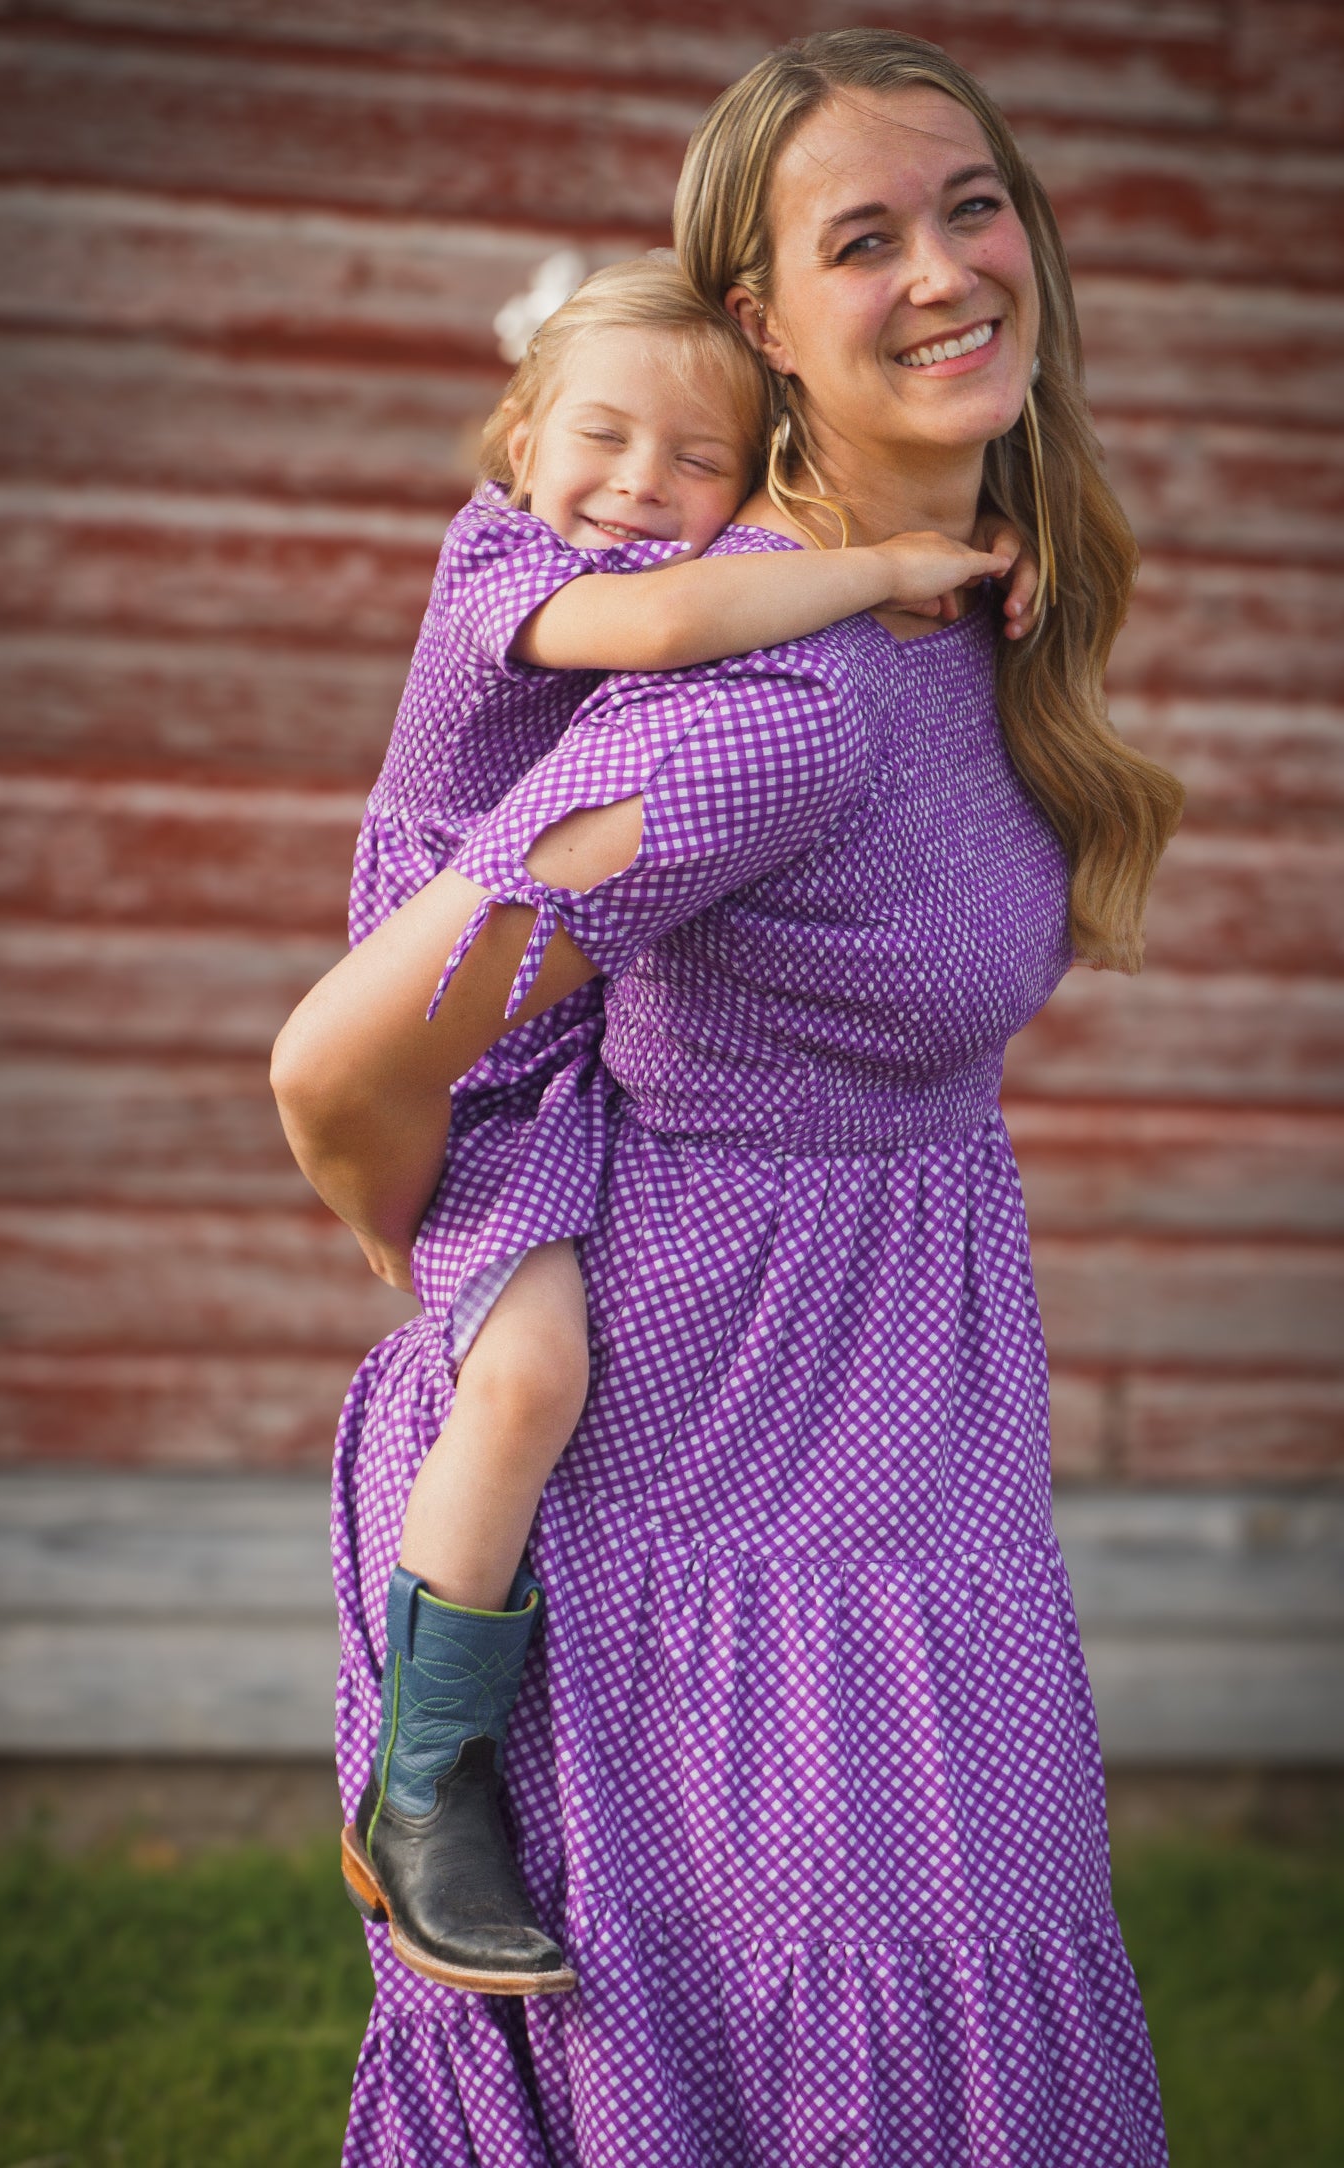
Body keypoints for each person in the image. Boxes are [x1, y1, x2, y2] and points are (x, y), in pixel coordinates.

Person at [272, 25, 1183, 2164]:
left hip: (888, 1425)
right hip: (689, 1466)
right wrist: (466, 1269)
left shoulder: (958, 614)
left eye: (973, 204)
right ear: (762, 327)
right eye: (862, 238)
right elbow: (340, 1055)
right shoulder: (759, 720)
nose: (948, 267)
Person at [320, 253, 1028, 1995]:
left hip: (562, 1040)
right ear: (519, 435)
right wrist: (878, 569)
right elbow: (656, 631)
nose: (636, 487)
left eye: (688, 463)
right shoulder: (513, 563)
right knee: (526, 1375)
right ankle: (417, 1790)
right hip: (469, 1033)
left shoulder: (707, 580)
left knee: (548, 1363)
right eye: (600, 436)